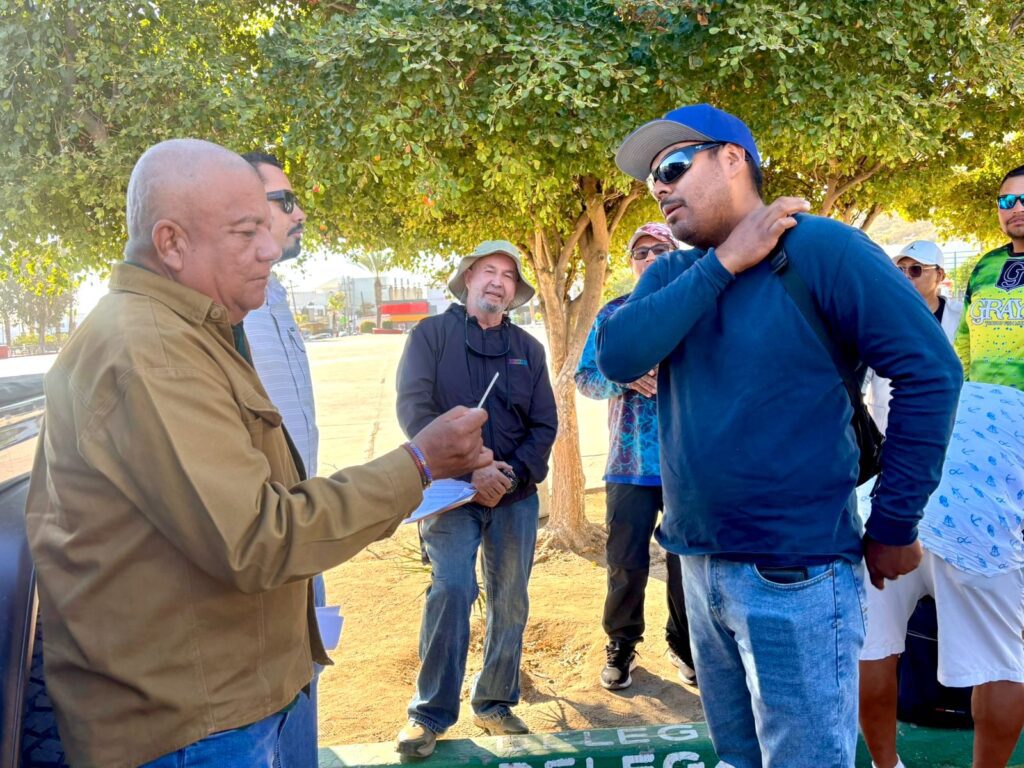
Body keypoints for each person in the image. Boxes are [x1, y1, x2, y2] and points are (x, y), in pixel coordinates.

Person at [24, 138, 491, 768]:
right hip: (190, 730)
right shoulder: (151, 349)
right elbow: (257, 536)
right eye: (247, 232)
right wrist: (420, 464)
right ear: (172, 243)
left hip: (219, 706)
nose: (269, 248)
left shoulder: (188, 331)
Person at [599, 104, 962, 767]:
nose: (659, 187)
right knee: (738, 758)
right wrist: (726, 262)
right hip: (696, 564)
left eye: (674, 165)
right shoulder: (676, 273)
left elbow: (930, 372)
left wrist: (894, 522)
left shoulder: (823, 250)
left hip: (797, 573)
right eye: (651, 178)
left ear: (733, 158)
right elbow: (618, 356)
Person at [394, 240, 557, 758]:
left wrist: (507, 476)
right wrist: (473, 468)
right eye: (489, 271)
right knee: (452, 588)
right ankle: (429, 713)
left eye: (508, 276)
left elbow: (544, 424)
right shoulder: (430, 335)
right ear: (468, 278)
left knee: (511, 597)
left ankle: (494, 702)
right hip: (449, 492)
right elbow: (414, 410)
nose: (497, 282)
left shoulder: (528, 348)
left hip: (514, 493)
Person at [858, 382, 1024, 768]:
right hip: (980, 531)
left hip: (887, 513)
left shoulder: (953, 387)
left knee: (873, 649)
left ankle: (886, 765)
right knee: (1003, 664)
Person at [574, 222, 696, 690]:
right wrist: (623, 377)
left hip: (687, 462)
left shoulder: (695, 307)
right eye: (641, 252)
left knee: (687, 563)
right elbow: (585, 378)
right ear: (631, 262)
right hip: (629, 464)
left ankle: (686, 646)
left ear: (676, 256)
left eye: (660, 250)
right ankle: (622, 646)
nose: (650, 258)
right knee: (625, 563)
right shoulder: (613, 315)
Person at [241, 151, 322, 768]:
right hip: (261, 542)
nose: (299, 214)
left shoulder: (276, 296)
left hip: (303, 528)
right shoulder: (223, 308)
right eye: (285, 201)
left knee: (301, 709)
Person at [864, 240, 963, 432]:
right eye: (900, 269)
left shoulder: (960, 317)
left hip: (944, 422)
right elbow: (862, 372)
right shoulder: (880, 316)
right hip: (887, 423)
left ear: (940, 275)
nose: (906, 276)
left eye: (916, 269)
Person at [954, 164, 1024, 389]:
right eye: (1007, 201)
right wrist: (966, 390)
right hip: (981, 403)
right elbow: (964, 336)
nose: (1017, 208)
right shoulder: (986, 265)